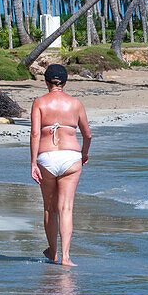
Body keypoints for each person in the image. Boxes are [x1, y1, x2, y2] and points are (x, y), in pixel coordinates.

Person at [30, 64, 91, 267]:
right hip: (70, 157)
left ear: (46, 82)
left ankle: (53, 252)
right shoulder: (75, 103)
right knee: (66, 208)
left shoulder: (39, 102)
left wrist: (33, 163)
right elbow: (87, 134)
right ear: (65, 83)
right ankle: (65, 257)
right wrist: (84, 153)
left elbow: (36, 134)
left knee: (49, 208)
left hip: (46, 156)